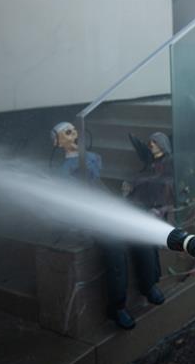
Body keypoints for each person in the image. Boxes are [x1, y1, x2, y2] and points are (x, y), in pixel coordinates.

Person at [50, 122, 164, 330]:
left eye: (74, 129)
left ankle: (149, 283)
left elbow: (95, 177)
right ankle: (117, 306)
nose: (74, 133)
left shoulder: (90, 158)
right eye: (67, 132)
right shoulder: (63, 170)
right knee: (114, 247)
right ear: (57, 142)